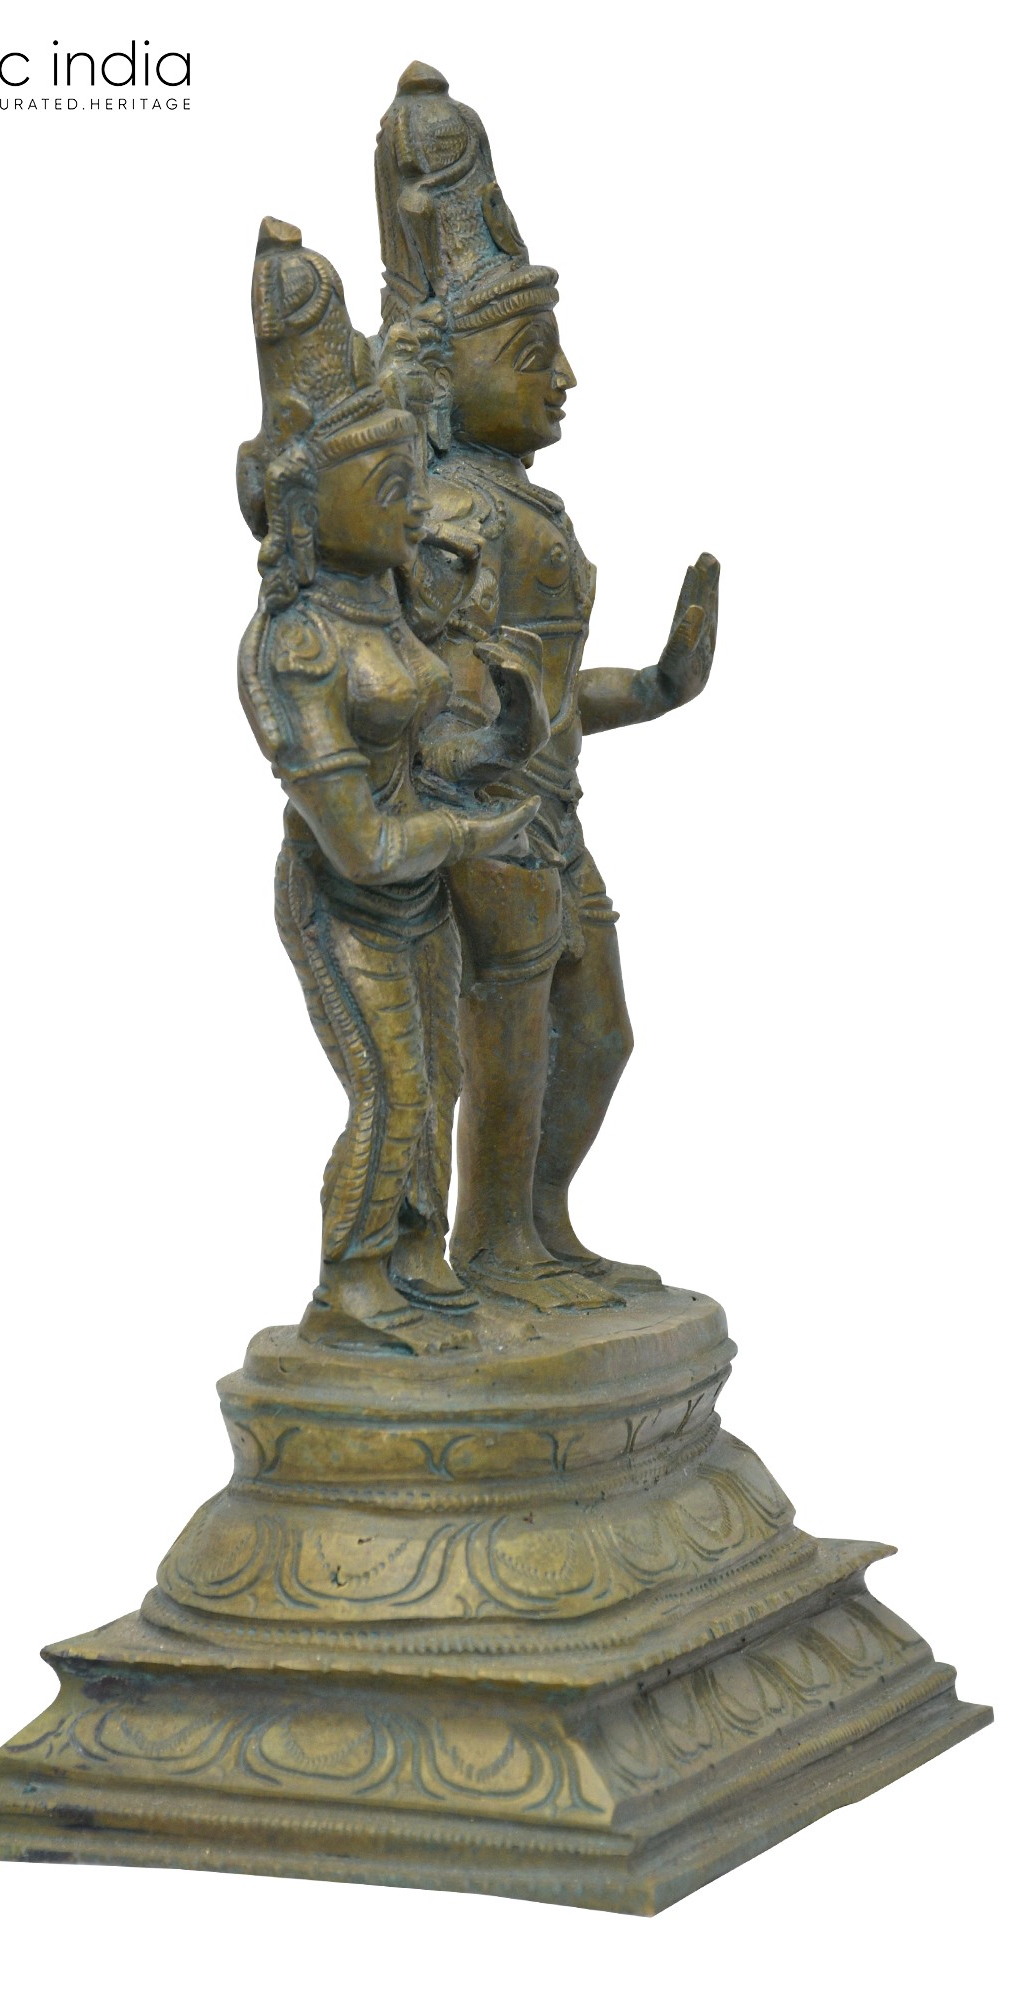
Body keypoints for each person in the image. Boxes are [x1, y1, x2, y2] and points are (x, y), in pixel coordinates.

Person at [375, 65, 721, 1310]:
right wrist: (488, 736)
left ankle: (540, 1222)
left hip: (550, 811)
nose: (564, 375)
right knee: (509, 1030)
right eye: (533, 356)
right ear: (445, 377)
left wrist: (660, 684)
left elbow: (554, 699)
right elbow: (434, 691)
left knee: (600, 1032)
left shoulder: (527, 508)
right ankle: (496, 1245)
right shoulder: (446, 514)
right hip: (486, 821)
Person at [237, 217, 541, 1349]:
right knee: (393, 1089)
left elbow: (425, 762)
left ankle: (417, 1252)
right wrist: (473, 836)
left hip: (414, 892)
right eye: (391, 482)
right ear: (315, 500)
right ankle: (353, 1280)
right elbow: (359, 840)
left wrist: (504, 733)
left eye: (415, 477)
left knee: (440, 1079)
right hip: (346, 900)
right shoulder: (301, 644)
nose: (416, 505)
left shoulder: (385, 606)